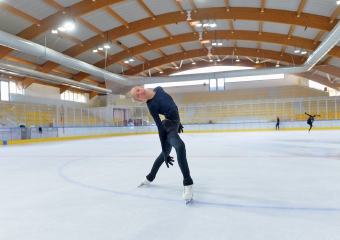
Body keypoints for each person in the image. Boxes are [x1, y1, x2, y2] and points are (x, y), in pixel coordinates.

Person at [131, 86, 194, 204]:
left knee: (163, 155)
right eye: (138, 95)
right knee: (180, 146)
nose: (140, 93)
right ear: (140, 100)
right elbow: (160, 128)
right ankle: (188, 183)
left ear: (141, 87)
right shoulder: (151, 105)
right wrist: (165, 151)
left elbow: (173, 106)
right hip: (167, 127)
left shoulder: (159, 89)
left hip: (175, 124)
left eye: (138, 90)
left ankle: (149, 177)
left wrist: (179, 123)